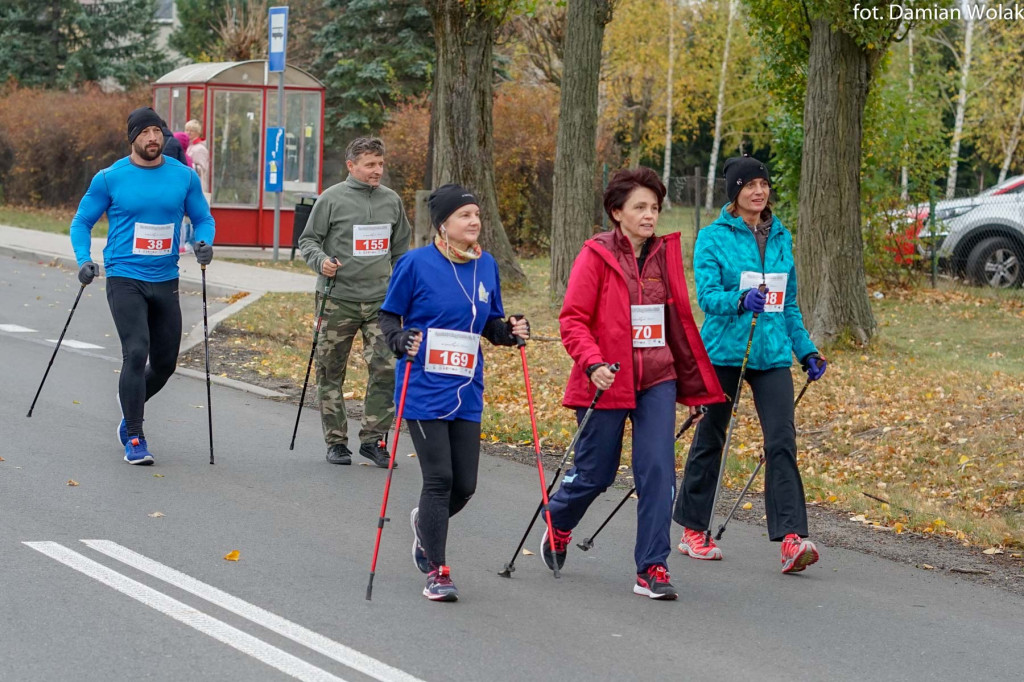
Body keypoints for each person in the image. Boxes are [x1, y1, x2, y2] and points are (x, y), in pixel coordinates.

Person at [544, 167, 726, 600]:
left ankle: (652, 567)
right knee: (595, 474)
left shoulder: (664, 255)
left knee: (658, 472)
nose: (649, 215)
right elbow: (572, 320)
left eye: (655, 208)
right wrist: (592, 364)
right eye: (640, 207)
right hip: (607, 380)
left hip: (658, 379)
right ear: (616, 212)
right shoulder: (596, 254)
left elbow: (678, 325)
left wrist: (692, 388)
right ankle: (558, 521)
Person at [673, 155, 827, 574]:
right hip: (724, 352)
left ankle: (792, 539)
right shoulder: (713, 237)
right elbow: (707, 297)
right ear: (735, 193)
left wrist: (806, 351)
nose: (759, 191)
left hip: (772, 354)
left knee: (781, 441)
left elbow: (788, 304)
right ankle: (693, 529)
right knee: (711, 437)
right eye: (749, 185)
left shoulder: (780, 236)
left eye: (763, 184)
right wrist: (740, 300)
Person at [378, 183, 529, 602]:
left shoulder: (486, 265)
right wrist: (400, 340)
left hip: (467, 388)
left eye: (476, 214)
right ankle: (437, 570)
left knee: (465, 485)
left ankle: (424, 523)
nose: (474, 221)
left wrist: (510, 331)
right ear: (443, 224)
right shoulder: (415, 264)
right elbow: (388, 317)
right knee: (440, 479)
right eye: (465, 215)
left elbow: (491, 324)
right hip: (423, 386)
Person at [70, 106, 215, 465]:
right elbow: (81, 222)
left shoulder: (183, 177)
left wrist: (204, 242)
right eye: (145, 132)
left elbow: (203, 218)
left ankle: (130, 399)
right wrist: (84, 259)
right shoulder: (110, 178)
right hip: (125, 277)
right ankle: (134, 436)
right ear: (132, 138)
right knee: (136, 352)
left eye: (157, 132)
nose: (153, 138)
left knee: (165, 363)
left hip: (165, 278)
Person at [299, 137, 412, 467]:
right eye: (370, 164)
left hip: (381, 303)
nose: (377, 170)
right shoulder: (332, 198)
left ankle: (373, 440)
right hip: (337, 300)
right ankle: (336, 442)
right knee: (330, 372)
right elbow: (308, 240)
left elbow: (400, 250)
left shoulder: (391, 201)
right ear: (351, 166)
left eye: (380, 164)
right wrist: (321, 261)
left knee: (387, 367)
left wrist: (402, 288)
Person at [184, 119, 210, 192]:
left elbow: (202, 169)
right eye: (187, 130)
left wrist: (186, 164)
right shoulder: (188, 146)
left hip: (197, 185)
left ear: (197, 133)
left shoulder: (200, 148)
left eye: (191, 131)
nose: (188, 132)